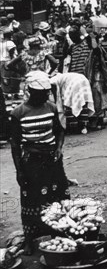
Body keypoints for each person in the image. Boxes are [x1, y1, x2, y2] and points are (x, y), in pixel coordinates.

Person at [10, 71, 70, 254]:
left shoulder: (51, 107)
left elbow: (60, 131)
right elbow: (15, 144)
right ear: (30, 91)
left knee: (57, 197)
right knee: (32, 200)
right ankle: (30, 240)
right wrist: (19, 171)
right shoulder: (18, 113)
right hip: (31, 162)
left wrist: (58, 149)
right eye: (41, 93)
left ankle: (59, 232)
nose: (45, 95)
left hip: (52, 159)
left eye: (46, 92)